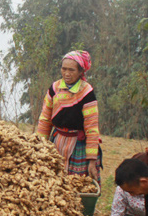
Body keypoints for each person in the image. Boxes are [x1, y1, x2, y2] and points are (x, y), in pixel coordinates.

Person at [36, 50, 100, 180]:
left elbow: (91, 127)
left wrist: (92, 160)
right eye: (64, 69)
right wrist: (39, 146)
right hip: (57, 142)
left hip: (78, 145)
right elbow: (45, 119)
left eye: (71, 70)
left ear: (81, 72)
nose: (66, 73)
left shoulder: (87, 93)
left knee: (77, 183)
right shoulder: (54, 88)